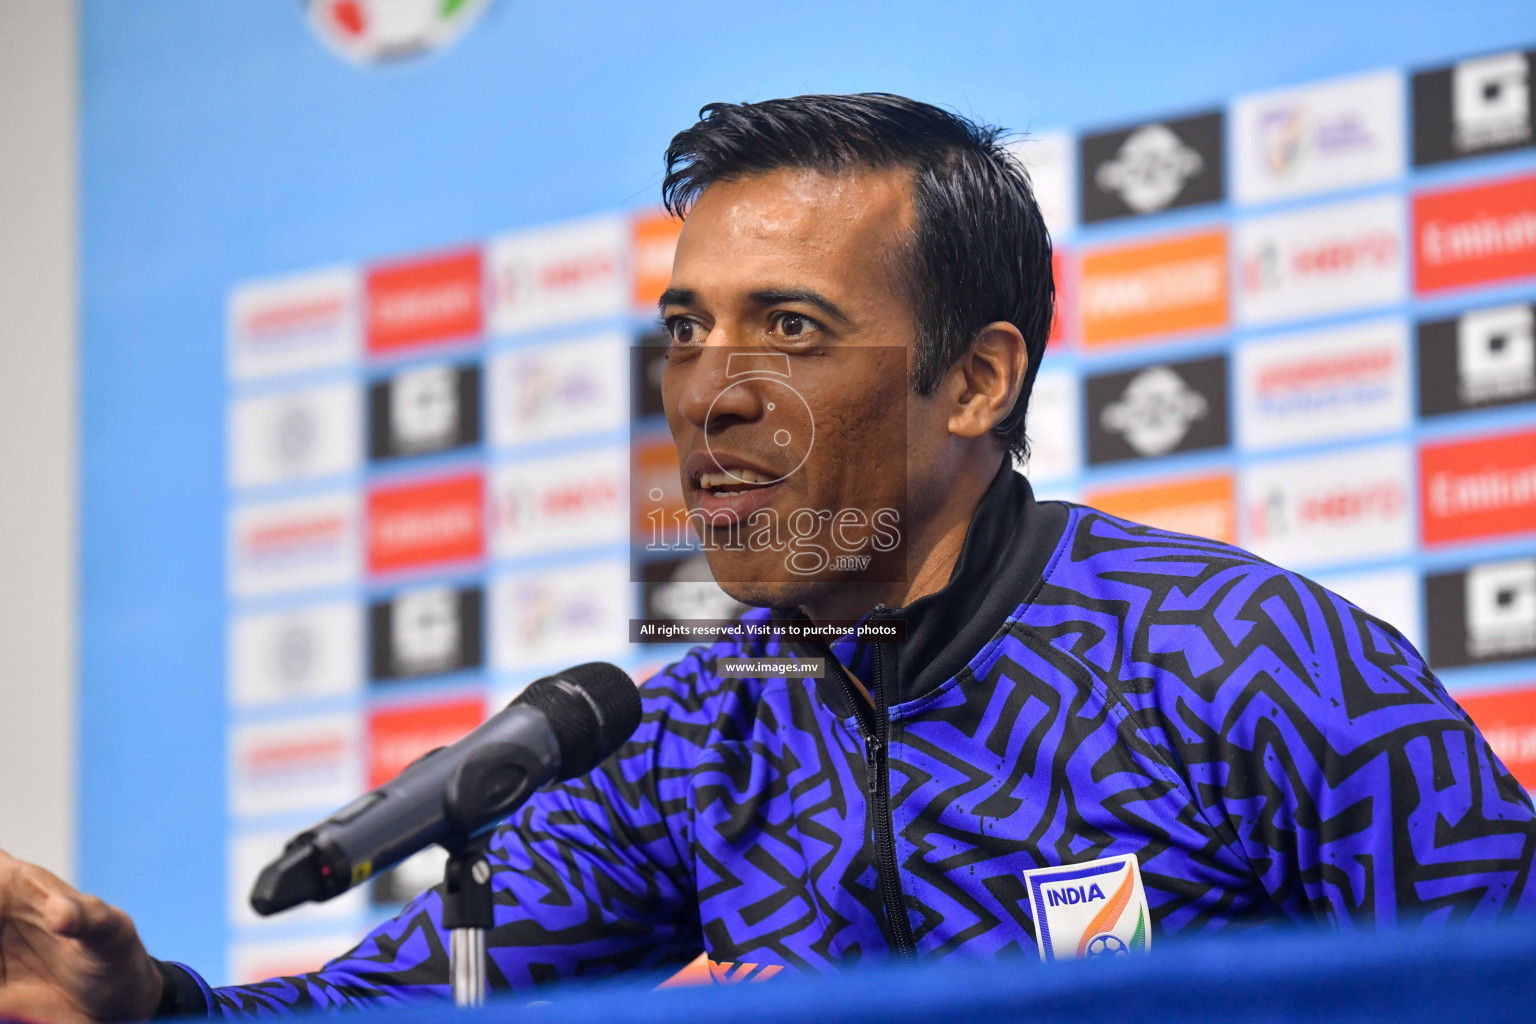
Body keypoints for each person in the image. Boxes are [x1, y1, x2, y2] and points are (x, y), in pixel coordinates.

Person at [2, 93, 1532, 1022]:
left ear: (978, 380)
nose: (713, 393)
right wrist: (152, 1007)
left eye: (789, 328)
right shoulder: (678, 733)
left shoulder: (1249, 664)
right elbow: (383, 1009)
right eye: (686, 332)